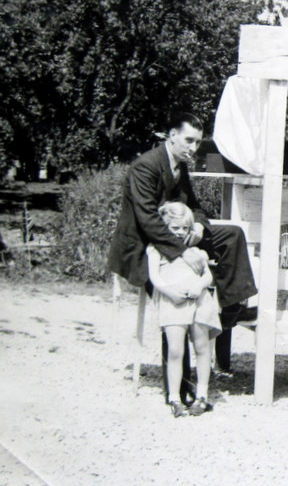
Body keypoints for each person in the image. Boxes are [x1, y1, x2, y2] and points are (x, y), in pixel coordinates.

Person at [107, 112, 257, 403]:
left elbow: (196, 206)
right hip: (143, 246)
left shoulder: (179, 166)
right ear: (171, 135)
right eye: (189, 140)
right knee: (179, 297)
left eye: (198, 142)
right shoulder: (145, 166)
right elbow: (147, 219)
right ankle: (179, 389)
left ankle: (231, 310)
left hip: (175, 235)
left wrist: (199, 226)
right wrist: (183, 252)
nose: (193, 147)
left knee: (233, 235)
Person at [147, 202, 221, 417]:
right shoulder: (156, 250)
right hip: (174, 303)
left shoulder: (195, 251)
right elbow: (155, 277)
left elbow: (207, 275)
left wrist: (199, 286)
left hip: (198, 301)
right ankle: (174, 398)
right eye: (175, 228)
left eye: (184, 229)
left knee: (202, 348)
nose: (180, 233)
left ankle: (202, 396)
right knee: (176, 351)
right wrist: (170, 293)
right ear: (165, 228)